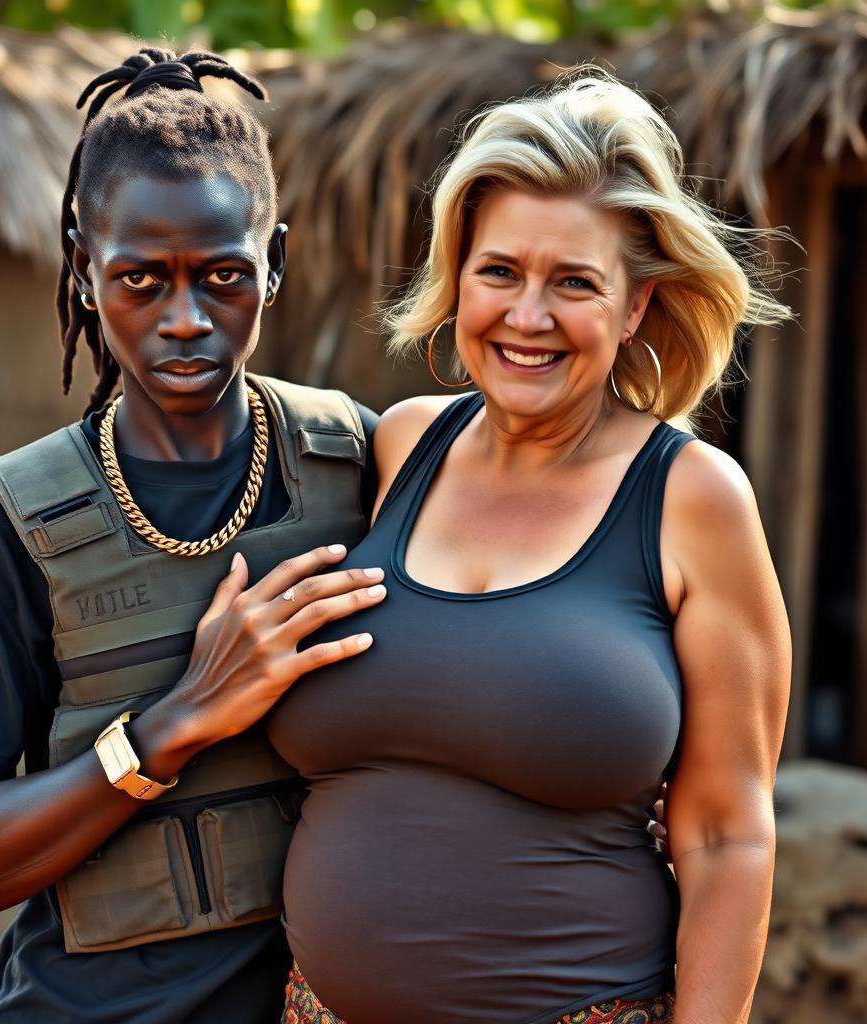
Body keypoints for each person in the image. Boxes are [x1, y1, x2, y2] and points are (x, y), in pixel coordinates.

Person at [0, 50, 387, 1023]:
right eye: (141, 278)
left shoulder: (361, 464)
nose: (184, 319)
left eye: (223, 276)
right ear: (82, 267)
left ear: (274, 262)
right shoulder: (7, 525)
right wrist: (173, 723)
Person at [265, 72, 792, 1024]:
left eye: (576, 283)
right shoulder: (397, 449)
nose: (528, 316)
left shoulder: (690, 497)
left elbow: (727, 835)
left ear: (636, 308)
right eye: (499, 271)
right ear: (457, 280)